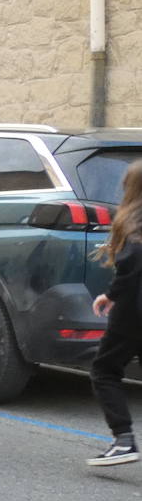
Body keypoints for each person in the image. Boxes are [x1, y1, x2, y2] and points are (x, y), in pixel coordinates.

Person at [87, 158, 142, 466]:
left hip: (133, 311)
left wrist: (111, 295)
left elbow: (133, 260)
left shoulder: (133, 220)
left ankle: (123, 440)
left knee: (105, 370)